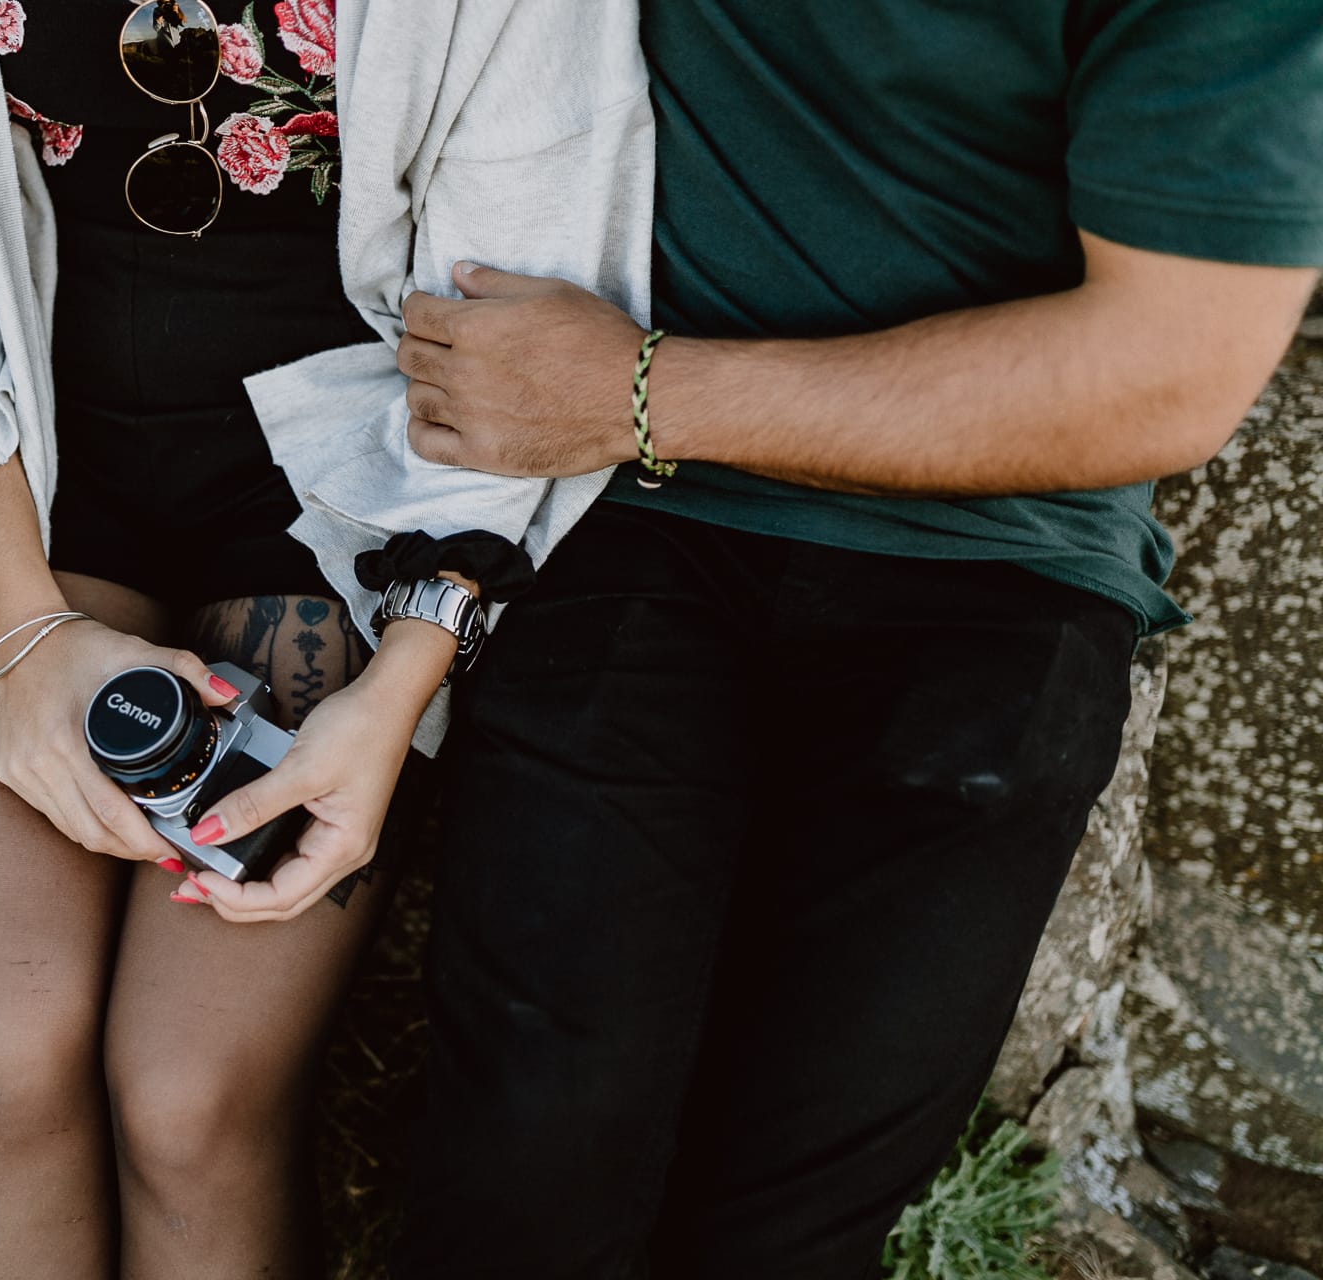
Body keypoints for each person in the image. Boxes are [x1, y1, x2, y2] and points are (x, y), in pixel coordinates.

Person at [386, 2, 1323, 1276]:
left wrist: (641, 390)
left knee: (786, 1219)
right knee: (528, 1167)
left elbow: (1166, 368)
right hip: (641, 522)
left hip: (990, 559)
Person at [0, 0, 651, 1274]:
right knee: (9, 1049)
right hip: (34, 479)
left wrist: (402, 680)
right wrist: (20, 629)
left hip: (354, 495)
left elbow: (540, 299)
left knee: (189, 1097)